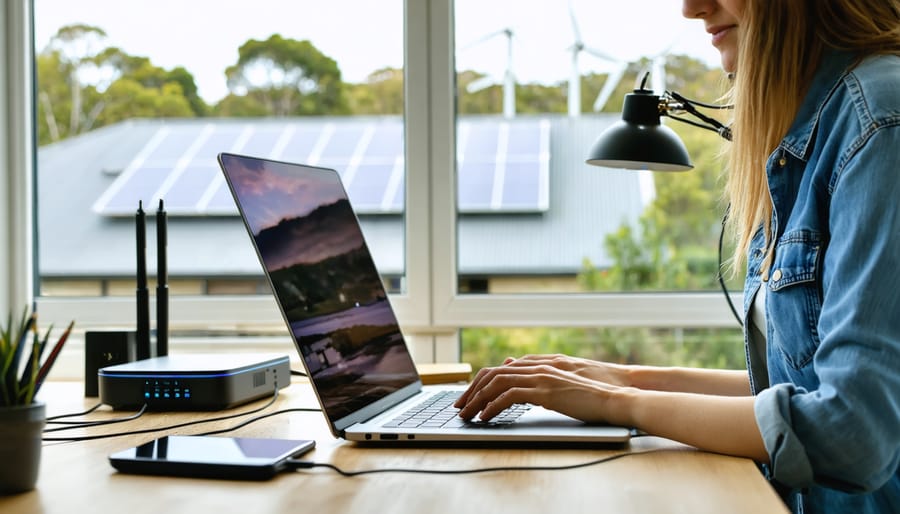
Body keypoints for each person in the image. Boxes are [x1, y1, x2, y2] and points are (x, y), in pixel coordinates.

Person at [454, 1, 900, 512]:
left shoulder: (880, 124)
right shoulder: (823, 121)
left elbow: (853, 432)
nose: (692, 8)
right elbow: (796, 388)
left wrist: (615, 404)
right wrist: (622, 378)